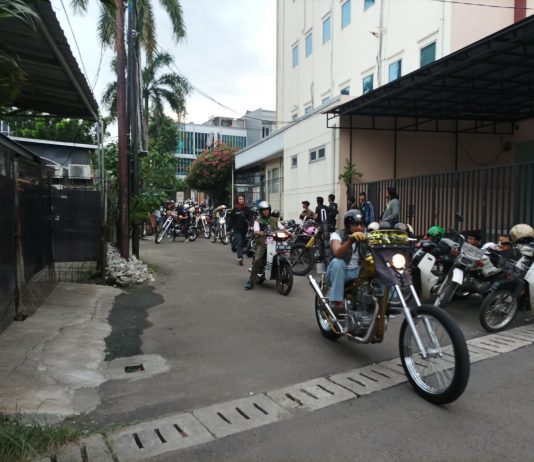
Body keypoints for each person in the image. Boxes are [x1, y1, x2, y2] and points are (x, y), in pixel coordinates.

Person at [325, 209, 367, 315]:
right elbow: (338, 253)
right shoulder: (337, 235)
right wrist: (350, 241)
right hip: (338, 273)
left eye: (362, 225)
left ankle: (384, 301)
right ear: (348, 225)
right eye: (355, 225)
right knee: (338, 262)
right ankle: (337, 302)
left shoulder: (366, 236)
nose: (359, 228)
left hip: (358, 273)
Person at [244, 201, 286, 290]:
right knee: (257, 260)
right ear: (260, 211)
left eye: (267, 210)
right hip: (263, 243)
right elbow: (256, 230)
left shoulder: (274, 220)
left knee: (285, 253)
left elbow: (282, 228)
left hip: (275, 242)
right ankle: (251, 280)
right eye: (264, 210)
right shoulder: (258, 221)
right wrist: (261, 232)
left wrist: (289, 232)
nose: (266, 211)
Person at [228, 195, 254, 265]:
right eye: (240, 199)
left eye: (242, 199)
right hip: (237, 229)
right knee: (239, 242)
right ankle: (240, 257)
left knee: (243, 242)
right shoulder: (235, 209)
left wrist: (251, 225)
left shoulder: (246, 209)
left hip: (244, 229)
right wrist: (228, 229)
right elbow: (231, 220)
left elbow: (250, 218)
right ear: (237, 200)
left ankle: (240, 254)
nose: (241, 200)